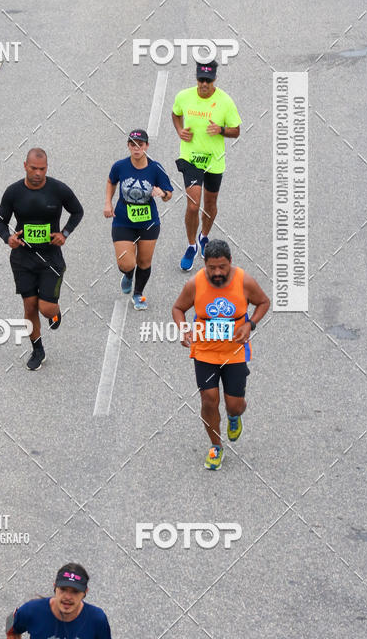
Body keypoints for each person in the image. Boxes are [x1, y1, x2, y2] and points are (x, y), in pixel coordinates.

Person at [172, 239, 270, 469]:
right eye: (212, 267)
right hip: (204, 351)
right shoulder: (195, 284)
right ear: (204, 264)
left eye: (222, 267)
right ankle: (216, 446)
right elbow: (178, 308)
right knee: (209, 399)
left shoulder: (244, 281)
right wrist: (184, 328)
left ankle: (234, 417)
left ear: (230, 263)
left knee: (234, 405)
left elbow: (264, 302)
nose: (217, 272)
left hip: (234, 351)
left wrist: (250, 325)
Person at [0, 149, 83, 371]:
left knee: (46, 308)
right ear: (25, 165)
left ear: (47, 168)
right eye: (33, 168)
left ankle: (55, 313)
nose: (37, 173)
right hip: (22, 258)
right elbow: (0, 222)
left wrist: (65, 234)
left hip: (50, 258)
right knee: (29, 307)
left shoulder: (58, 189)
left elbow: (77, 211)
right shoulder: (13, 192)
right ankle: (37, 350)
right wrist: (8, 238)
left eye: (42, 169)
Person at [171, 59, 241, 272]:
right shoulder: (184, 96)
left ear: (214, 80)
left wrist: (220, 130)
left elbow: (236, 130)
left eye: (208, 81)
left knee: (210, 205)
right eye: (201, 80)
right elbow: (176, 113)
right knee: (193, 205)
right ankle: (191, 245)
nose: (204, 84)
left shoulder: (225, 102)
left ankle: (204, 236)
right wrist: (179, 130)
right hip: (191, 158)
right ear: (197, 79)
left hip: (214, 160)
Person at [104, 129, 173, 310]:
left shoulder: (155, 168)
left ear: (146, 146)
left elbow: (169, 194)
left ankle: (138, 294)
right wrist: (108, 203)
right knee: (126, 262)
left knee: (144, 262)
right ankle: (128, 274)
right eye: (132, 145)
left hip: (148, 223)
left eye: (140, 145)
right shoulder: (120, 166)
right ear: (128, 146)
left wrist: (162, 193)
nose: (136, 148)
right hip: (123, 221)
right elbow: (111, 181)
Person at [6, 563, 114, 639]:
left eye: (75, 592)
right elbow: (11, 628)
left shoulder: (97, 619)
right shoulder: (31, 610)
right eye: (63, 589)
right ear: (55, 587)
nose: (67, 597)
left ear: (85, 592)